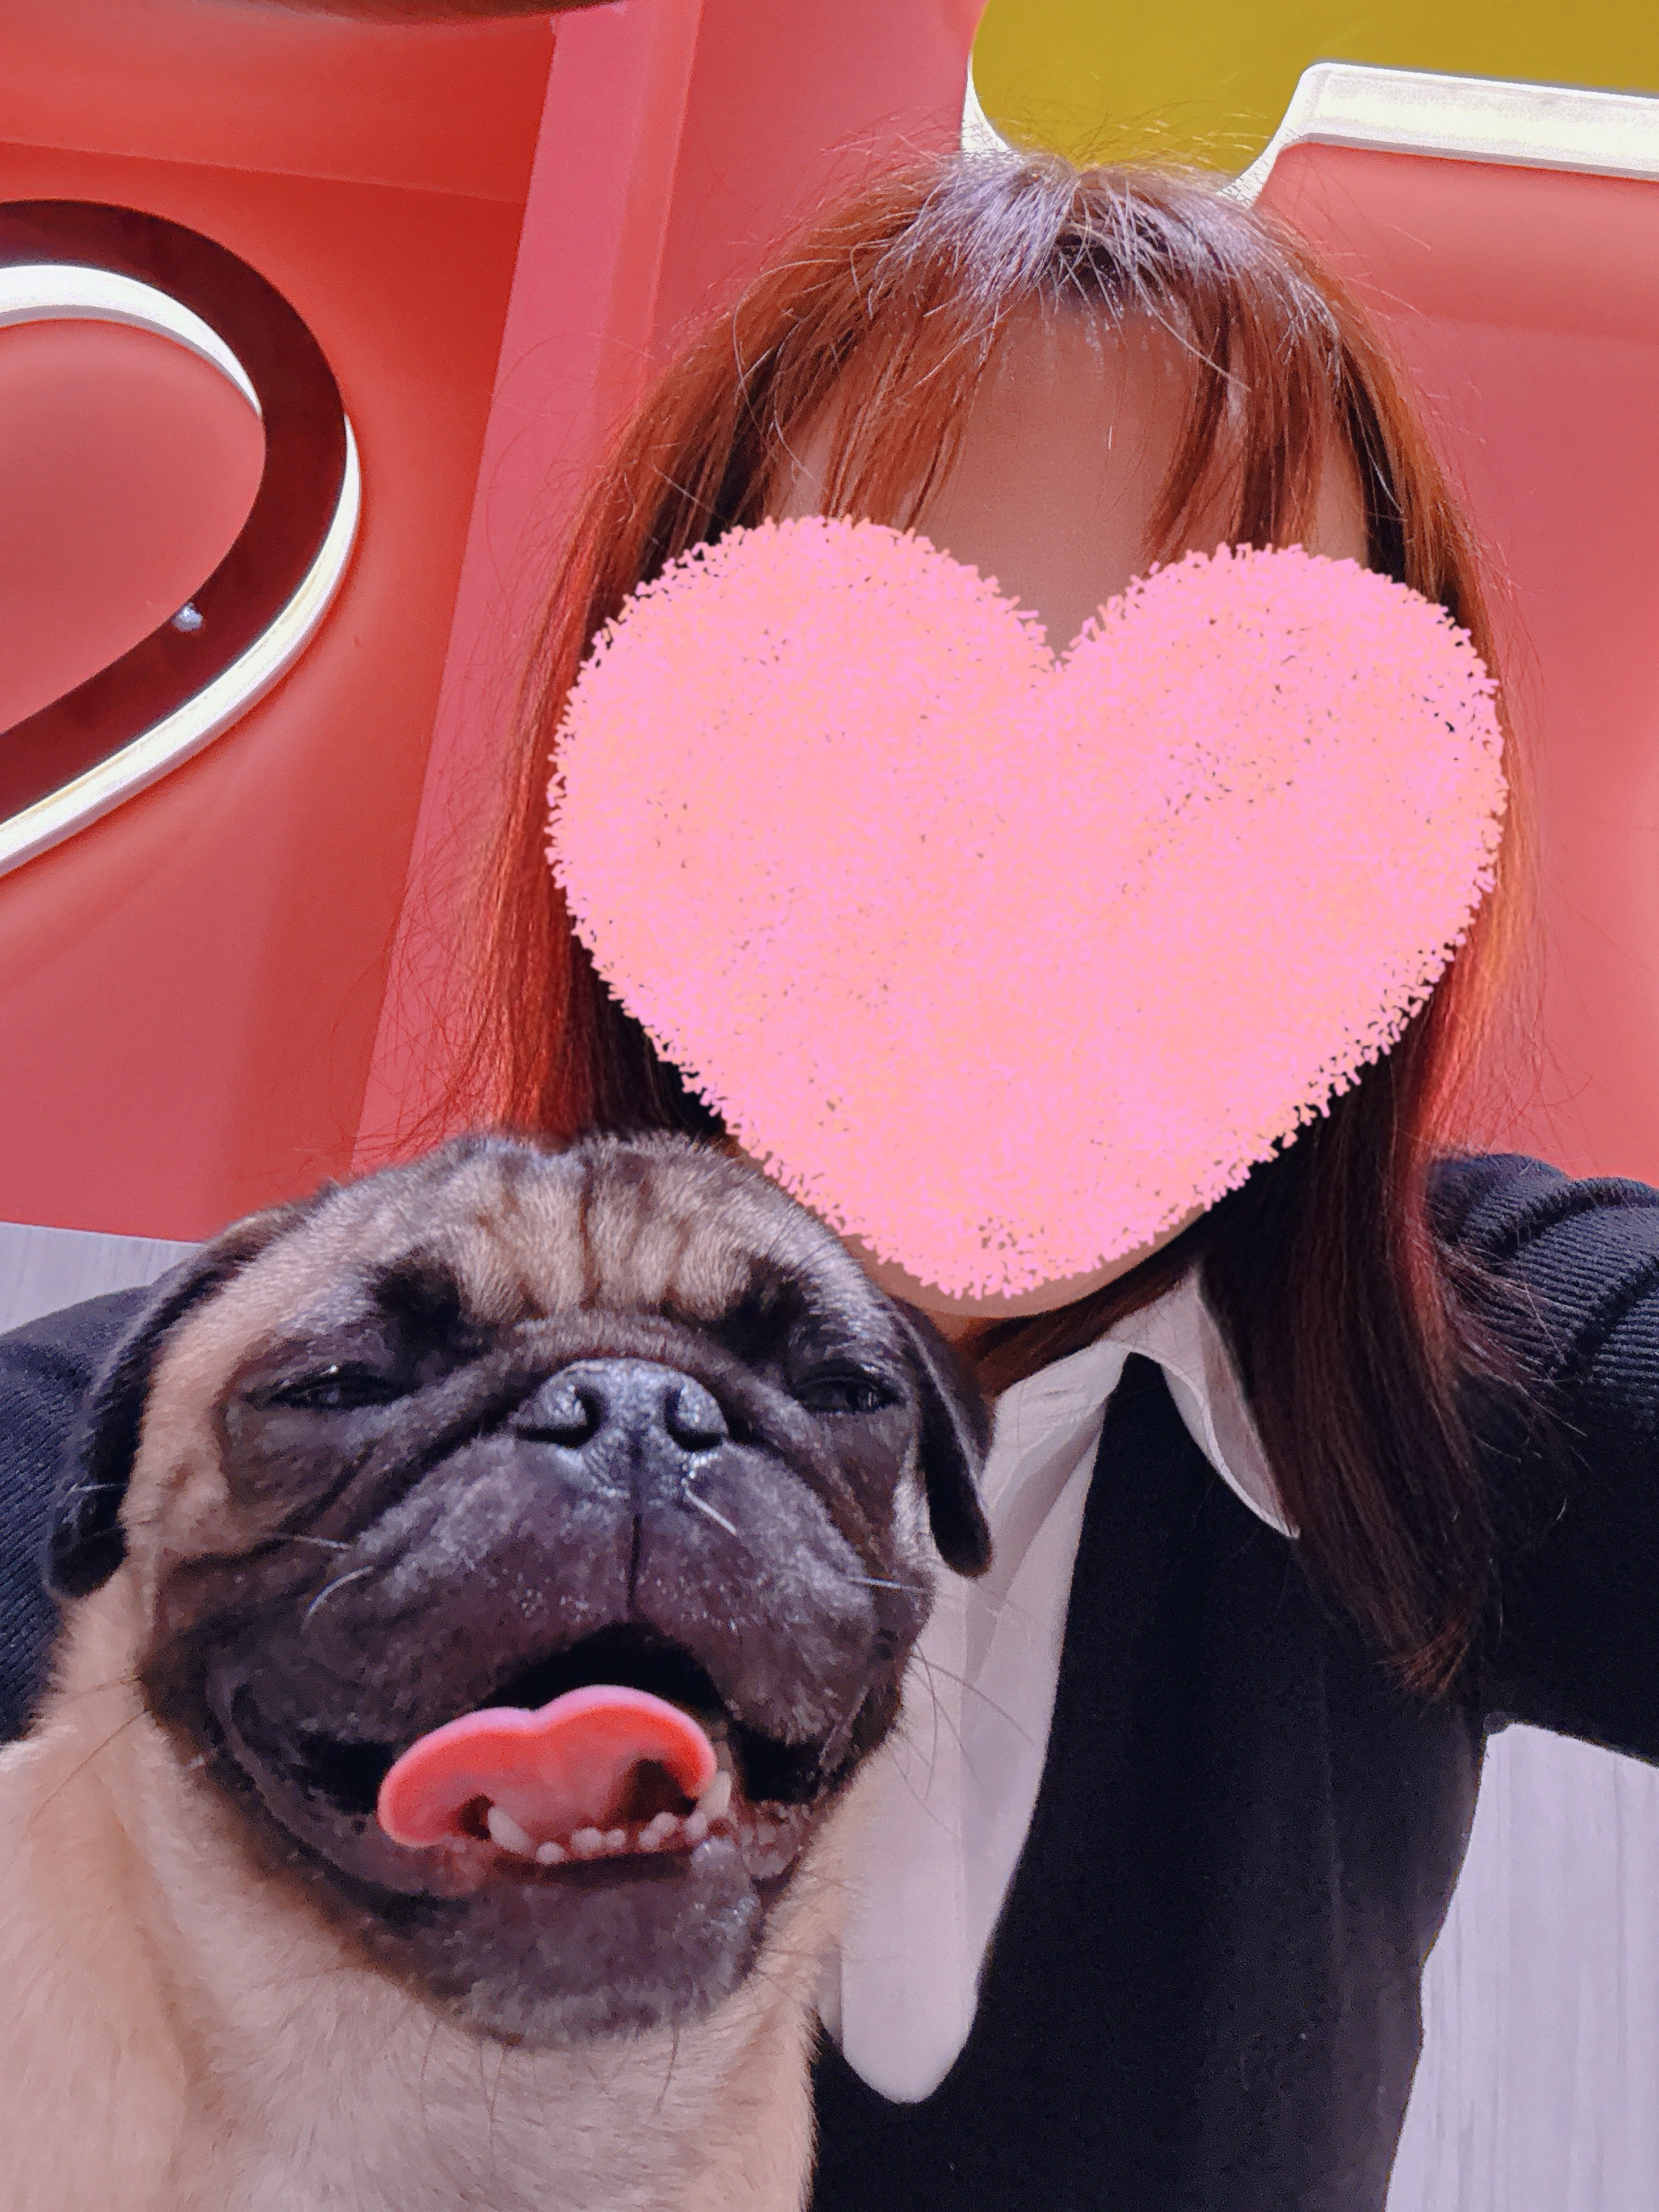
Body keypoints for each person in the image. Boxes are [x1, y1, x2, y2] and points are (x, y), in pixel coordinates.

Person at [5, 148, 1659, 2211]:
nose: (1036, 898)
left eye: (1224, 777)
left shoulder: (1456, 1364)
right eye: (856, 747)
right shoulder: (214, 1425)